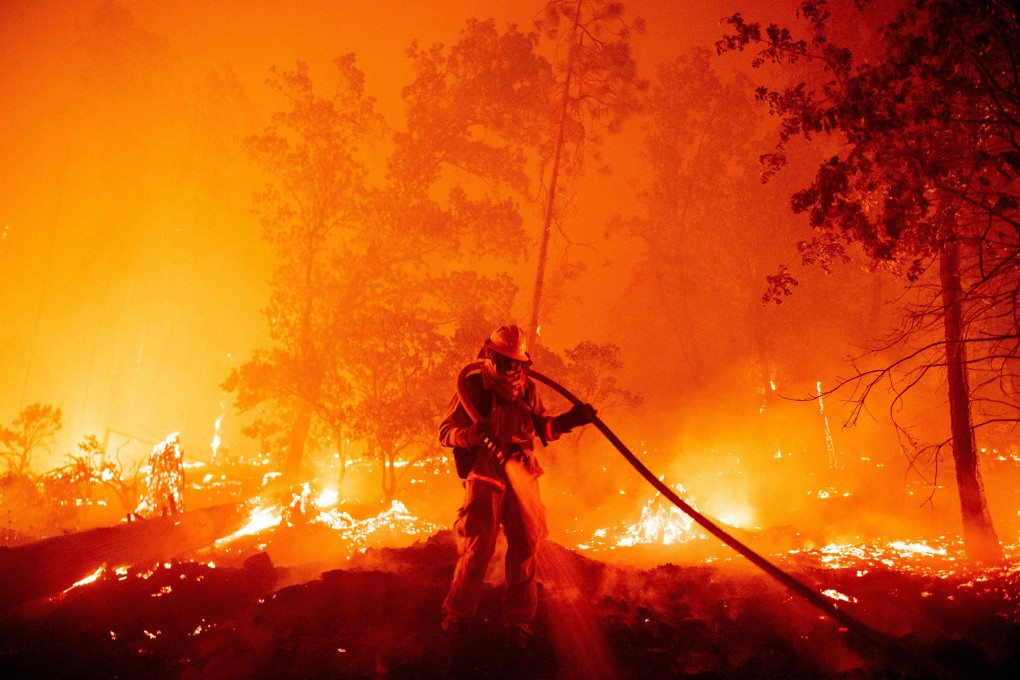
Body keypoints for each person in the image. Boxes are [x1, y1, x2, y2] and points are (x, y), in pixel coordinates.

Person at [439, 324, 595, 651]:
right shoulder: (473, 385)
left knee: (525, 546)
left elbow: (544, 428)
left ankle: (519, 623)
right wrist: (469, 435)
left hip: (523, 473)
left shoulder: (527, 391)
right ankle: (457, 617)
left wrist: (571, 420)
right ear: (490, 355)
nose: (511, 369)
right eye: (505, 361)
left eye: (517, 363)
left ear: (524, 364)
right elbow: (445, 432)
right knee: (478, 548)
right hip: (485, 474)